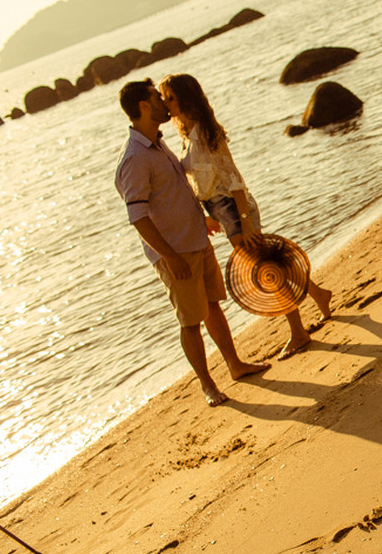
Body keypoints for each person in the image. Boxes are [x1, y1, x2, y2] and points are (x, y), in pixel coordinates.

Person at [113, 79, 269, 406]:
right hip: (175, 253)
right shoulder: (135, 158)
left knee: (212, 306)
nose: (163, 102)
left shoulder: (157, 143)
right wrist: (170, 257)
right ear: (144, 106)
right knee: (190, 321)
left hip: (196, 239)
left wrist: (205, 219)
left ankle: (235, 365)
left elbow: (178, 190)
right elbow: (138, 217)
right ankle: (208, 386)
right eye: (157, 97)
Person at [158, 73, 332, 360]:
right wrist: (208, 215)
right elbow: (201, 183)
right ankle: (317, 294)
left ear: (185, 98)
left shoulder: (206, 133)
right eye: (164, 97)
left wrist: (244, 221)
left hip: (234, 206)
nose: (165, 103)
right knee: (271, 265)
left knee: (268, 271)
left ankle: (299, 332)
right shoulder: (188, 136)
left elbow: (233, 178)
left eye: (170, 97)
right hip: (221, 209)